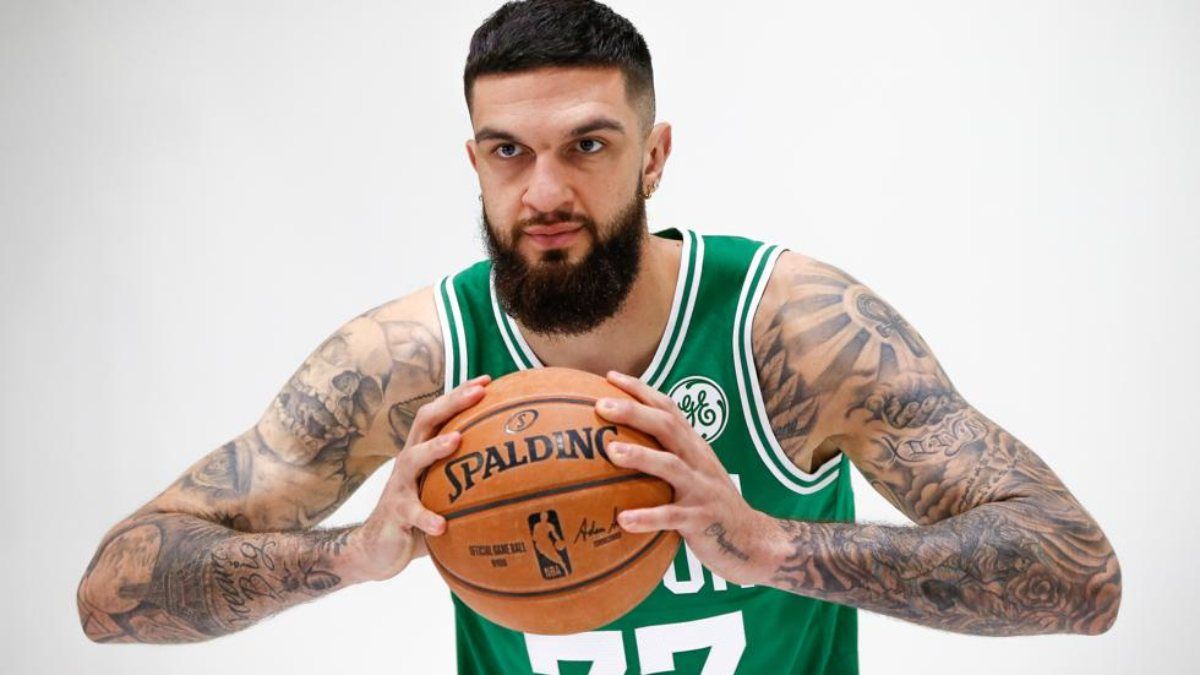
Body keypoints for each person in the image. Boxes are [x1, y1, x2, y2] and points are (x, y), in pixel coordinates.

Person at [76, 0, 1122, 671]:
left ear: (653, 155)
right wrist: (349, 554)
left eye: (587, 145)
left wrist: (771, 546)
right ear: (475, 160)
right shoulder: (411, 361)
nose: (544, 192)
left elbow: (1081, 577)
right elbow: (111, 588)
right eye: (507, 151)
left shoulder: (792, 331)